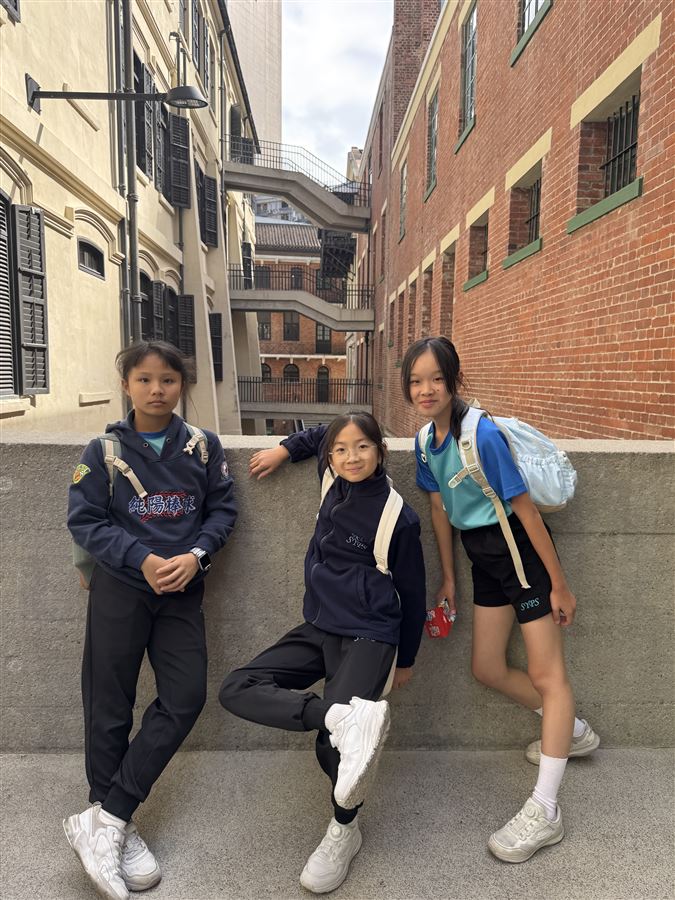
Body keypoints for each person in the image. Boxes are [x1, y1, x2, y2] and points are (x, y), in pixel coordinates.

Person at [402, 336, 599, 863]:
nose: (425, 390)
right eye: (416, 381)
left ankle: (546, 809)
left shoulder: (482, 435)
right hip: (483, 557)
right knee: (487, 667)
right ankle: (572, 731)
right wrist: (449, 578)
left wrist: (558, 584)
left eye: (435, 379)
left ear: (454, 381)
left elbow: (526, 511)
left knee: (548, 676)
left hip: (522, 555)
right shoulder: (423, 441)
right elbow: (440, 510)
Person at [219, 412, 426, 894]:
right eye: (341, 449)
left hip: (371, 633)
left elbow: (414, 596)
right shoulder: (330, 477)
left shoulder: (398, 517)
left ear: (380, 451)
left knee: (330, 748)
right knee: (236, 687)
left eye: (363, 447)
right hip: (319, 624)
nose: (351, 457)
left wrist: (407, 659)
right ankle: (337, 718)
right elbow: (318, 435)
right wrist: (284, 449)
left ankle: (344, 829)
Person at [65, 341, 237, 900]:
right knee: (109, 703)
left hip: (181, 591)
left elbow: (223, 510)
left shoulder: (203, 447)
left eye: (167, 379)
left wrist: (196, 556)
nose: (156, 389)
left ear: (182, 385)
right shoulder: (104, 450)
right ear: (127, 385)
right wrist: (141, 557)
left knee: (185, 698)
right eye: (144, 379)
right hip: (121, 588)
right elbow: (85, 520)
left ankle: (109, 817)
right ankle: (113, 819)